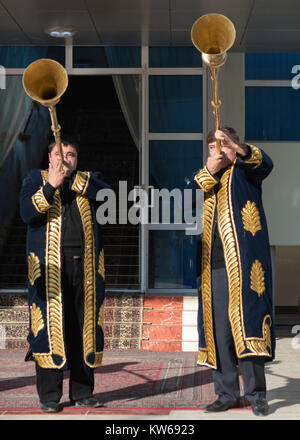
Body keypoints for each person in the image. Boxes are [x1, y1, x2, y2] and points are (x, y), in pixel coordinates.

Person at [20, 138, 111, 413]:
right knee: (48, 329)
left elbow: (108, 195)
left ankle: (83, 392)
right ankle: (49, 396)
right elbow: (27, 213)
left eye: (71, 154)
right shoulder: (35, 179)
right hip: (49, 270)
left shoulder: (87, 180)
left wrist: (70, 179)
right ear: (49, 158)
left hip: (84, 269)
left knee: (83, 329)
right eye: (60, 154)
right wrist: (52, 185)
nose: (65, 158)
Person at [190, 127, 275, 416]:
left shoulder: (246, 169)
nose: (219, 150)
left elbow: (266, 165)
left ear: (234, 146)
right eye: (214, 146)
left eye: (224, 145)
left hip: (244, 265)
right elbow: (187, 198)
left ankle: (256, 394)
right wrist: (209, 169)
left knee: (248, 329)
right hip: (213, 268)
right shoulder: (204, 177)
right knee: (220, 333)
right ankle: (226, 393)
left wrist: (238, 148)